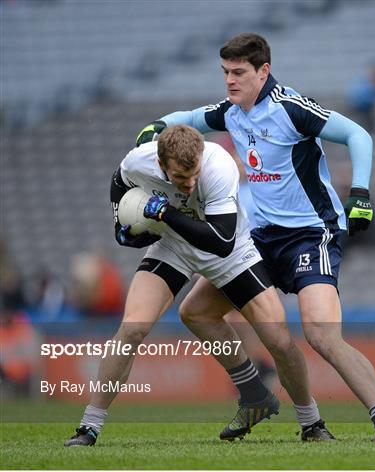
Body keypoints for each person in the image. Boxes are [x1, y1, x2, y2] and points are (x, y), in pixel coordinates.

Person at [136, 33, 375, 442]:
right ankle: (257, 395)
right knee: (195, 311)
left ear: (263, 71)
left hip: (309, 235)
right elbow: (191, 118)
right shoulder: (232, 111)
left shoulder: (291, 108)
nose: (230, 81)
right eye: (225, 72)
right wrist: (159, 125)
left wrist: (360, 193)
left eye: (239, 72)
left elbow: (359, 135)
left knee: (320, 334)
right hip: (259, 239)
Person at [65, 125, 333, 447]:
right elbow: (120, 194)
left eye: (194, 174)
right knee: (132, 328)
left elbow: (220, 241)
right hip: (173, 246)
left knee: (277, 337)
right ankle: (89, 426)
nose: (190, 183)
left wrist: (164, 213)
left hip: (230, 251)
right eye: (180, 177)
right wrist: (126, 230)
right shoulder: (137, 162)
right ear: (161, 164)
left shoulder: (218, 165)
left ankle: (311, 422)